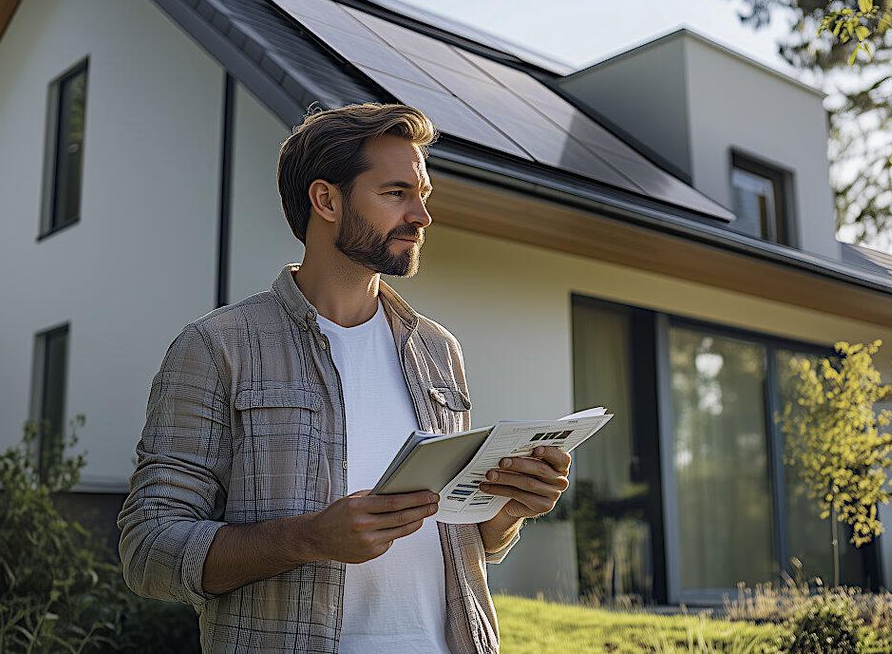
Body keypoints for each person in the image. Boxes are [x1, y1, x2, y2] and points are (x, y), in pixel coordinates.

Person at [117, 102, 572, 653]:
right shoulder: (218, 348)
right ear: (326, 200)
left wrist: (504, 513)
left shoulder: (437, 351)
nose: (422, 216)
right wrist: (309, 539)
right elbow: (148, 550)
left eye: (423, 195)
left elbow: (459, 541)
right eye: (396, 193)